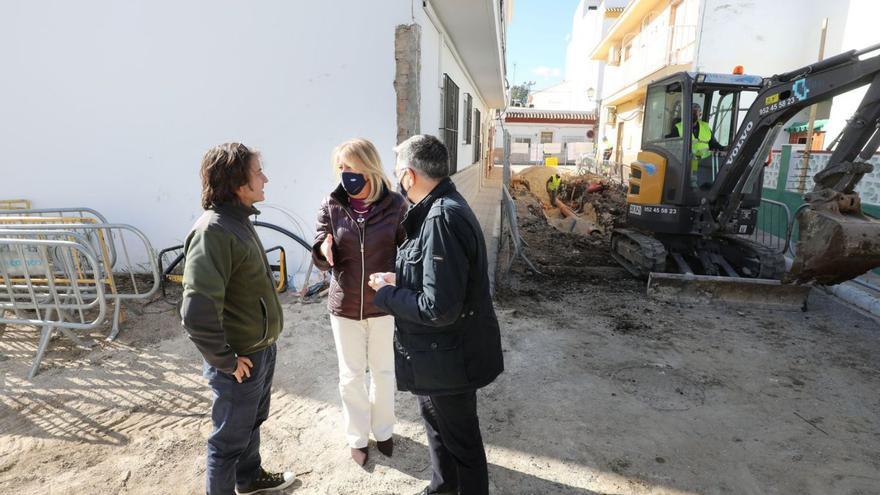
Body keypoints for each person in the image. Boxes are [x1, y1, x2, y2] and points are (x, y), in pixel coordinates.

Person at [368, 134, 504, 495]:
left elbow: (439, 308)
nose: (397, 179)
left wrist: (387, 295)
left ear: (410, 176)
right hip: (435, 357)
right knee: (437, 430)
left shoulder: (441, 218)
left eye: (398, 172)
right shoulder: (435, 208)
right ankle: (441, 489)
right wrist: (400, 279)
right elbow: (438, 281)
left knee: (462, 445)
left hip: (449, 357)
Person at [180, 143, 296, 495]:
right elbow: (197, 311)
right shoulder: (213, 231)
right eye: (258, 172)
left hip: (260, 350)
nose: (265, 178)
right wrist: (226, 360)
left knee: (251, 423)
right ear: (237, 184)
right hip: (239, 360)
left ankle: (248, 479)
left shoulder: (238, 220)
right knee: (227, 441)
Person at [311, 138, 407, 466]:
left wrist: (396, 280)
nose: (345, 174)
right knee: (350, 374)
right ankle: (356, 436)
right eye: (341, 167)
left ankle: (383, 431)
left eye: (351, 166)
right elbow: (320, 243)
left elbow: (408, 252)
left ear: (369, 166)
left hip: (383, 303)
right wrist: (323, 250)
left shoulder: (396, 205)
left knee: (383, 371)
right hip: (345, 304)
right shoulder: (332, 204)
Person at [669, 103, 724, 182]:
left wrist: (724, 148)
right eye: (690, 112)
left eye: (695, 113)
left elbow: (713, 144)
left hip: (705, 161)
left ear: (700, 114)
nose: (692, 115)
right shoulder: (678, 127)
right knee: (693, 178)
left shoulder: (705, 127)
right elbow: (672, 147)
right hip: (687, 162)